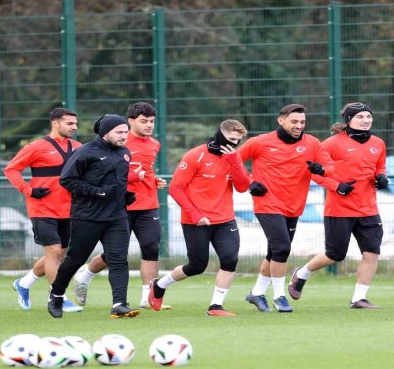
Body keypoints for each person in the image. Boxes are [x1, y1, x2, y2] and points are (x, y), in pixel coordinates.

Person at [288, 103, 388, 308]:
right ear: (349, 119)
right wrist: (336, 186)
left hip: (368, 209)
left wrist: (382, 178)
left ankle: (358, 298)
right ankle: (301, 273)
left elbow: (380, 167)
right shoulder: (332, 144)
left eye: (369, 116)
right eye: (360, 117)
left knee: (372, 252)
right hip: (339, 210)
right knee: (335, 254)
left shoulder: (378, 143)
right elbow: (313, 171)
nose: (366, 120)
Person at [147, 120, 251, 316]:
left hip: (225, 219)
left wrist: (234, 161)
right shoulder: (196, 155)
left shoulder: (233, 157)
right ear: (219, 134)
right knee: (197, 265)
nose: (234, 144)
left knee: (230, 259)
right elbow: (176, 188)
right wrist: (195, 214)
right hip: (195, 220)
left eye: (237, 141)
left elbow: (243, 186)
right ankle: (160, 285)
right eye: (230, 139)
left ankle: (216, 306)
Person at [72, 102, 170, 309]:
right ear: (131, 121)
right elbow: (107, 175)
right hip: (120, 206)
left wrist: (154, 180)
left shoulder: (154, 144)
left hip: (148, 204)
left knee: (151, 248)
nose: (149, 125)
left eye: (152, 121)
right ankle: (85, 275)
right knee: (114, 255)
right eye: (144, 121)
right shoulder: (117, 142)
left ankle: (148, 297)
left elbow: (147, 170)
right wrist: (134, 176)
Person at [238, 103, 334, 313]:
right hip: (267, 203)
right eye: (294, 121)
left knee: (274, 253)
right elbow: (233, 161)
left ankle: (256, 293)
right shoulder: (260, 142)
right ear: (280, 121)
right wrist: (249, 182)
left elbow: (330, 168)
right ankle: (280, 297)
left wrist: (322, 169)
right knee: (282, 248)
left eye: (302, 122)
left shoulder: (313, 143)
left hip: (294, 206)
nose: (299, 125)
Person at [47, 114, 138, 319]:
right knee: (75, 259)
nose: (124, 136)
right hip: (87, 216)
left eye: (126, 132)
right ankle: (57, 294)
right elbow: (67, 180)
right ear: (105, 132)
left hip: (117, 217)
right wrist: (96, 192)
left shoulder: (125, 153)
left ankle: (119, 304)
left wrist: (125, 196)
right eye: (119, 132)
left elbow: (117, 182)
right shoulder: (85, 152)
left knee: (118, 260)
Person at [4, 108, 82, 313]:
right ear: (55, 123)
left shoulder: (78, 147)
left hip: (70, 210)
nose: (75, 127)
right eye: (70, 123)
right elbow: (11, 169)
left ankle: (24, 283)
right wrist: (28, 190)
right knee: (54, 252)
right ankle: (59, 298)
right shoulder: (36, 147)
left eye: (75, 124)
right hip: (42, 209)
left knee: (57, 256)